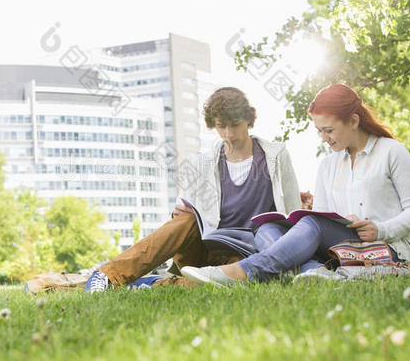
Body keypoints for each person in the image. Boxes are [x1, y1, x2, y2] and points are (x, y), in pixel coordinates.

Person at [181, 84, 410, 285]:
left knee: (310, 224)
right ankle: (318, 272)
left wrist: (380, 229)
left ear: (353, 121)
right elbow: (322, 217)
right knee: (266, 230)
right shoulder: (329, 164)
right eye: (319, 131)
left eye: (329, 130)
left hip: (388, 247)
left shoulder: (391, 152)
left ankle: (242, 272)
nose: (324, 139)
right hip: (343, 246)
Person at [85, 87, 306, 292]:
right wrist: (177, 215)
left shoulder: (276, 156)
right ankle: (106, 276)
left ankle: (154, 284)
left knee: (240, 277)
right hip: (203, 250)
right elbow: (185, 215)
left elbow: (293, 215)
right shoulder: (203, 162)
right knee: (186, 220)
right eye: (221, 126)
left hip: (247, 255)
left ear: (248, 119)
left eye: (235, 124)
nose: (229, 134)